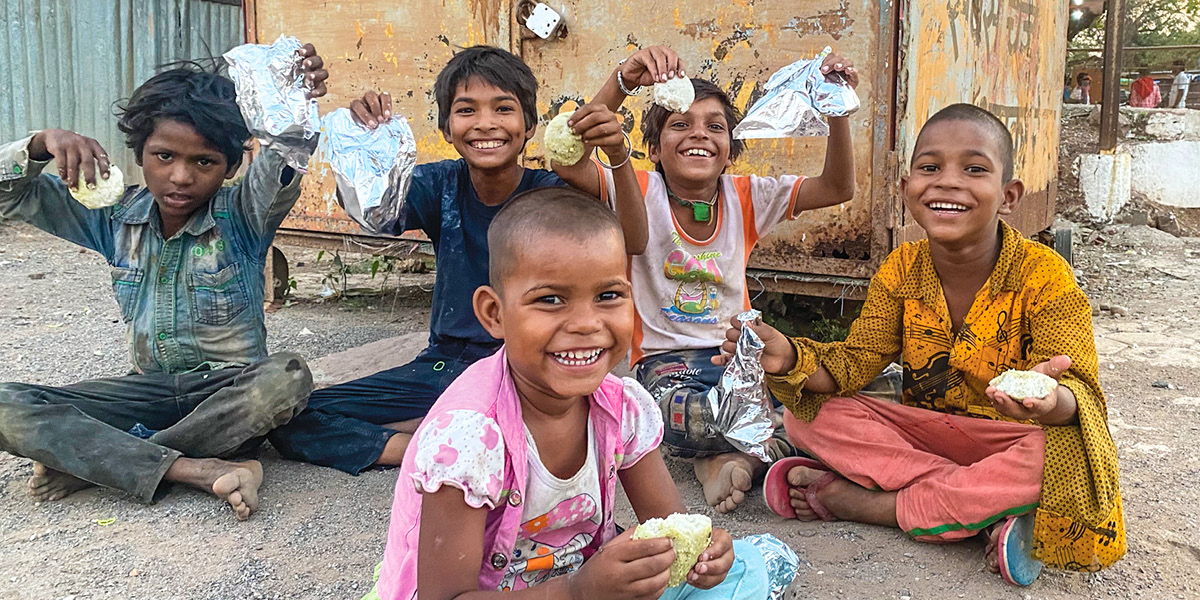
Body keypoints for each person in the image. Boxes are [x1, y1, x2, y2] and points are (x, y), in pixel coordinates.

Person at [717, 104, 1126, 585]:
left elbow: (1080, 399)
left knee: (1058, 455)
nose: (948, 182)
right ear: (907, 188)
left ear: (1008, 195)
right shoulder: (901, 269)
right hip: (927, 433)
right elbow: (854, 365)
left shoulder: (1045, 275)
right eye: (930, 168)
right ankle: (978, 507)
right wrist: (787, 357)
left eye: (974, 169)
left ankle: (871, 504)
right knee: (808, 415)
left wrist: (1049, 400)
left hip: (1013, 437)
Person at [373, 187, 784, 600]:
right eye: (550, 299)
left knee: (748, 565)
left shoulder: (619, 407)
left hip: (587, 585)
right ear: (494, 314)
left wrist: (704, 554)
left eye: (608, 296)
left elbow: (670, 525)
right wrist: (575, 591)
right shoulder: (469, 438)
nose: (587, 324)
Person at [267, 45, 646, 474]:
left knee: (570, 413)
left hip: (529, 367)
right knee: (293, 417)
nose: (485, 124)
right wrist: (362, 140)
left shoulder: (553, 194)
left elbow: (631, 237)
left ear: (529, 126)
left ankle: (460, 432)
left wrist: (618, 159)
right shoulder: (439, 184)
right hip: (445, 366)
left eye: (503, 108)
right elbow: (372, 211)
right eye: (467, 110)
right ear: (447, 128)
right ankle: (432, 445)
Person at [0, 47, 331, 519]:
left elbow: (287, 153)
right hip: (147, 392)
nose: (180, 177)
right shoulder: (111, 218)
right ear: (139, 155)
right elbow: (9, 193)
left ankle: (105, 462)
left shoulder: (243, 215)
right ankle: (190, 468)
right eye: (164, 156)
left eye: (204, 162)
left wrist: (297, 99)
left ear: (232, 167)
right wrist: (40, 143)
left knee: (286, 378)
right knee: (5, 404)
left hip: (226, 396)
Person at [553, 46, 858, 514]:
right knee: (664, 415)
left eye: (715, 126)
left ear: (730, 151)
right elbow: (567, 158)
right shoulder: (635, 186)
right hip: (665, 365)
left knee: (826, 409)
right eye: (680, 123)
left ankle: (727, 457)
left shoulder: (747, 196)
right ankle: (751, 451)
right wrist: (622, 81)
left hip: (738, 358)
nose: (699, 133)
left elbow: (838, 187)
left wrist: (836, 106)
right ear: (652, 147)